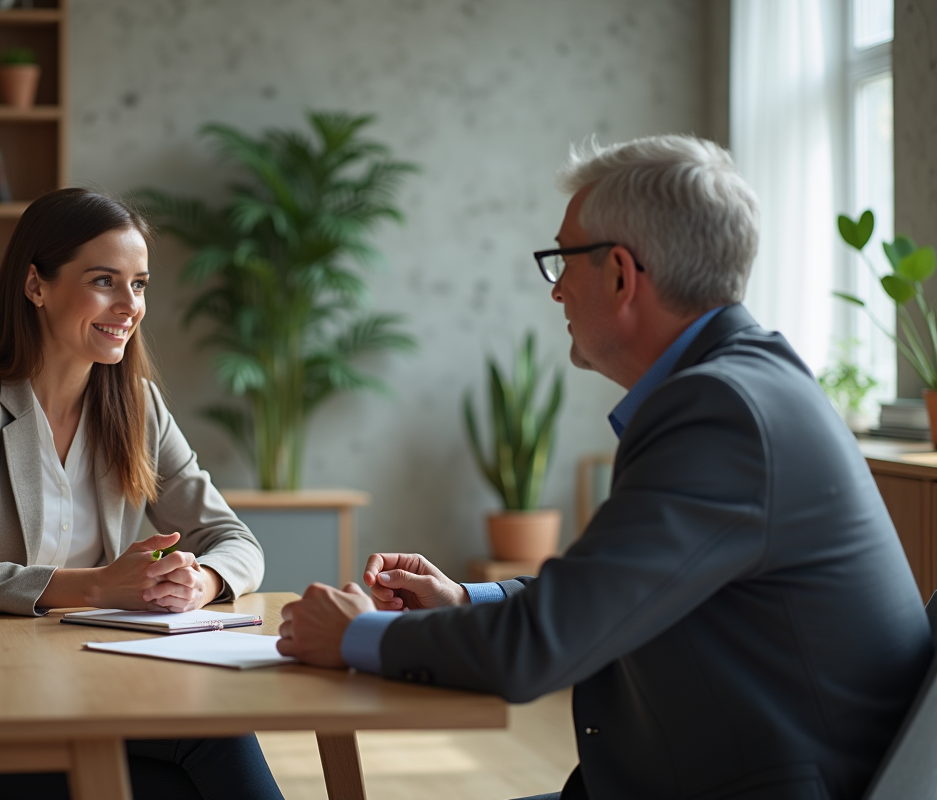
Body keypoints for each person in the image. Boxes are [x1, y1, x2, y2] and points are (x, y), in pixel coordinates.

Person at [276, 135, 935, 800]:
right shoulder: (742, 386)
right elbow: (606, 597)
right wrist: (463, 599)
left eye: (562, 259)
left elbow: (539, 648)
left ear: (621, 274)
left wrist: (357, 634)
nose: (557, 288)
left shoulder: (720, 412)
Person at [0, 188, 285, 800]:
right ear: (36, 285)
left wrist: (205, 581)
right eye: (104, 281)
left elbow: (233, 540)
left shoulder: (137, 405)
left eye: (138, 284)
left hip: (87, 688)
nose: (128, 305)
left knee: (213, 732)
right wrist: (95, 586)